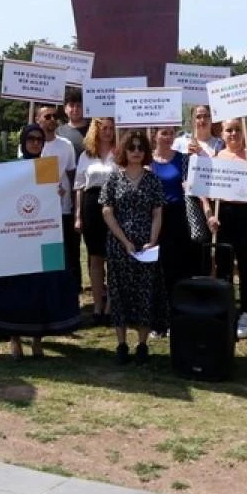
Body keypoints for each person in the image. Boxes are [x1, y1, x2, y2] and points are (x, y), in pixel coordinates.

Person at [0, 125, 82, 358]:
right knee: (14, 288)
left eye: (39, 140)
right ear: (23, 142)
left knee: (43, 286)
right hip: (16, 238)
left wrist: (56, 195)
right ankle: (14, 339)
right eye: (31, 139)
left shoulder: (47, 166)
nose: (35, 143)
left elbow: (48, 197)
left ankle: (36, 339)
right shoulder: (13, 168)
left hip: (44, 237)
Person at [100, 130, 166, 365]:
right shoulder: (113, 179)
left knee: (144, 294)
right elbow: (107, 210)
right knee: (119, 295)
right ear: (124, 151)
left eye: (140, 148)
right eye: (132, 147)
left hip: (145, 247)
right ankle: (121, 343)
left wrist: (152, 240)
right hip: (119, 246)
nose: (136, 152)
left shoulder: (153, 180)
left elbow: (158, 212)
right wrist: (124, 241)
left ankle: (142, 344)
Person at [201, 118, 247, 339]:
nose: (233, 134)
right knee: (223, 264)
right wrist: (210, 215)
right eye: (229, 130)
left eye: (237, 130)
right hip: (225, 214)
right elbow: (207, 190)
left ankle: (246, 312)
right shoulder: (217, 158)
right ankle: (226, 308)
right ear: (222, 134)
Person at [35, 105, 82, 298]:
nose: (52, 119)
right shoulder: (33, 146)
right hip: (43, 213)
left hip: (64, 209)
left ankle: (73, 291)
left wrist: (74, 205)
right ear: (38, 120)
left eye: (54, 116)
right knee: (51, 254)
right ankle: (53, 292)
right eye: (47, 116)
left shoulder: (66, 145)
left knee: (71, 253)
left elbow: (72, 176)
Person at [75, 117, 118, 325]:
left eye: (111, 128)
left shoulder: (119, 153)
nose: (108, 132)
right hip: (91, 206)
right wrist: (77, 215)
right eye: (104, 128)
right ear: (96, 131)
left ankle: (111, 305)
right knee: (95, 257)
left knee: (113, 256)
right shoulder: (86, 155)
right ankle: (98, 306)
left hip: (114, 206)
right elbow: (79, 186)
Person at [150, 126, 193, 334]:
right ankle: (158, 320)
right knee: (156, 270)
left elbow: (195, 186)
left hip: (178, 219)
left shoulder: (184, 159)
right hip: (153, 220)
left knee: (177, 269)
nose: (168, 137)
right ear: (155, 135)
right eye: (163, 133)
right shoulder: (146, 161)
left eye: (171, 133)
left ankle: (177, 317)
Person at [57, 88, 90, 160]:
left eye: (79, 105)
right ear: (65, 108)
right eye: (71, 105)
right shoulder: (58, 132)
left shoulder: (93, 130)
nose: (75, 109)